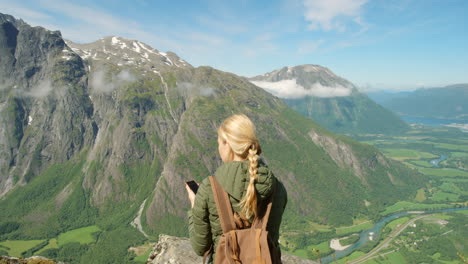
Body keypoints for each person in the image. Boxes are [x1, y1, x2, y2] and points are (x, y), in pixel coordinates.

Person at [185, 114, 288, 263]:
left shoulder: (209, 188)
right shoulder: (277, 188)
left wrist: (195, 206)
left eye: (219, 142)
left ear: (227, 143)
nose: (219, 147)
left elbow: (200, 248)